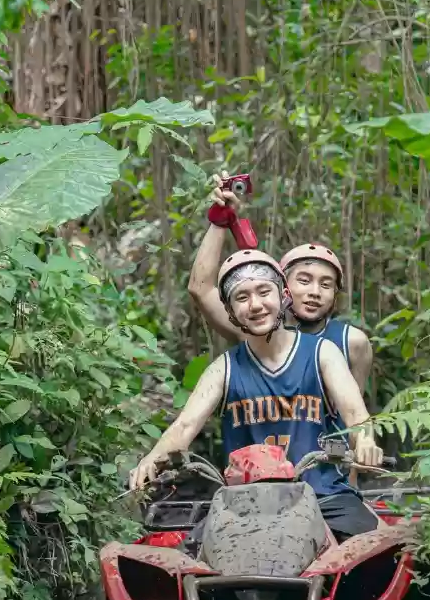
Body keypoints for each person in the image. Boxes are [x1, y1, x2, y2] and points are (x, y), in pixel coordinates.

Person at [132, 249, 382, 541]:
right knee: (191, 553)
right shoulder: (224, 368)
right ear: (230, 312)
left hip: (325, 497)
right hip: (244, 504)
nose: (256, 305)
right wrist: (152, 458)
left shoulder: (322, 353)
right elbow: (184, 426)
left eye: (264, 292)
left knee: (374, 550)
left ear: (284, 296)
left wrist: (365, 441)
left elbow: (355, 414)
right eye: (242, 297)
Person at [187, 176, 374, 391]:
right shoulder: (256, 326)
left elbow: (354, 409)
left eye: (326, 285)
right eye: (304, 280)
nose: (315, 292)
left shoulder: (352, 343)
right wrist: (221, 219)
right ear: (283, 287)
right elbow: (200, 289)